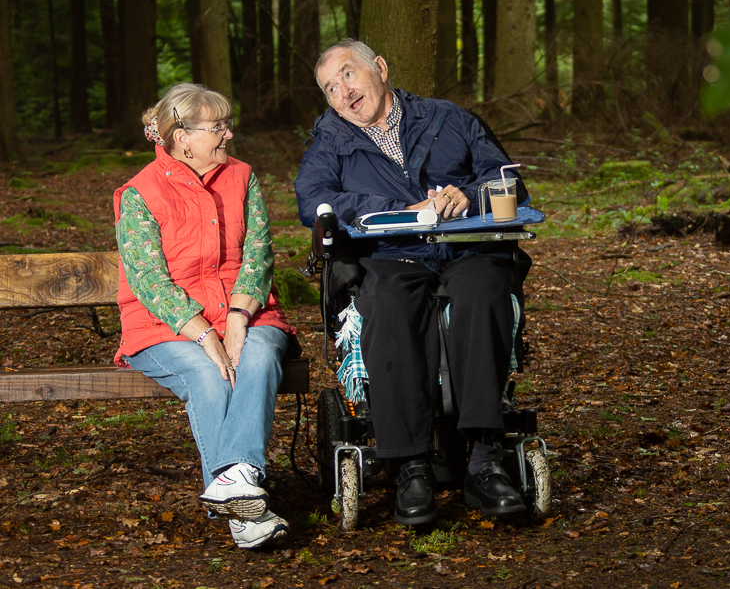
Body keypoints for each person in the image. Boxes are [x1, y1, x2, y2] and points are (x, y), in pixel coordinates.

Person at [295, 39, 529, 526]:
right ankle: (410, 466)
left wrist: (467, 195)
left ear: (379, 67)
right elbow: (313, 200)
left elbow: (507, 178)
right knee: (388, 299)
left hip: (467, 248)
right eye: (329, 88)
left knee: (481, 292)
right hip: (392, 254)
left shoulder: (447, 118)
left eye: (348, 75)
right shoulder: (328, 141)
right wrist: (388, 212)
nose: (343, 92)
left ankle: (486, 460)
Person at [114, 83, 298, 549]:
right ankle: (244, 506)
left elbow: (259, 254)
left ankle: (233, 488)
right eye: (217, 127)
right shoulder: (140, 193)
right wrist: (202, 333)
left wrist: (238, 316)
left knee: (257, 353)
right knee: (208, 373)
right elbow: (149, 281)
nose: (228, 136)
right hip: (164, 325)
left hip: (243, 308)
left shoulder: (242, 176)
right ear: (181, 137)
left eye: (226, 125)